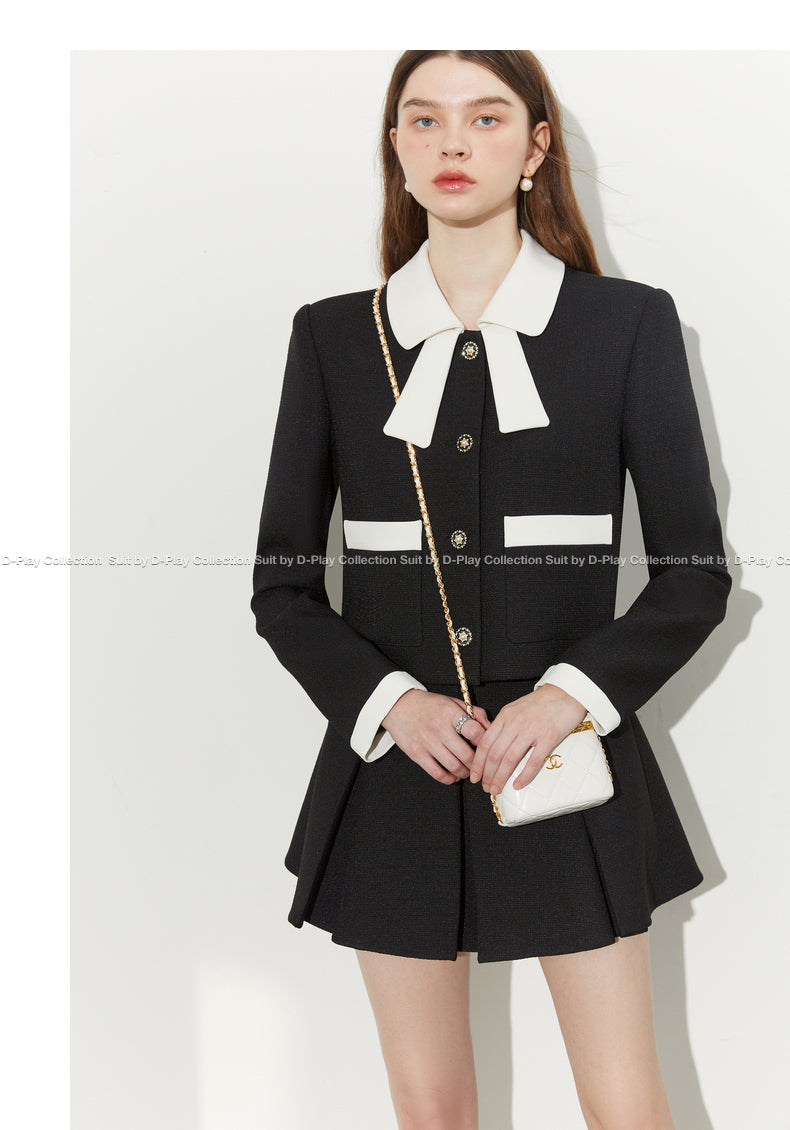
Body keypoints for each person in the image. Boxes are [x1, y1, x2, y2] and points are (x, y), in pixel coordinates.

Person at [250, 49, 730, 1130]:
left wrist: (568, 696)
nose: (452, 143)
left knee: (624, 1103)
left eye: (485, 117)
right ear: (396, 148)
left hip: (565, 764)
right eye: (423, 120)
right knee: (430, 1110)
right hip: (395, 769)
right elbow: (282, 585)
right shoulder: (333, 336)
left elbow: (693, 575)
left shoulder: (627, 325)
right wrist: (393, 704)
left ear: (534, 146)